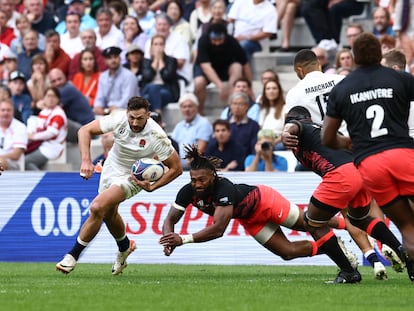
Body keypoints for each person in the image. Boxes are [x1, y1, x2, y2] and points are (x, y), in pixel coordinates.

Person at [159, 144, 359, 283]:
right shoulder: (188, 191)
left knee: (308, 224)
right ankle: (330, 247)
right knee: (287, 253)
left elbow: (218, 229)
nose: (197, 184)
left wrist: (182, 239)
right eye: (194, 180)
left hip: (265, 201)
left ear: (213, 176)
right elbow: (170, 218)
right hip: (251, 220)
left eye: (201, 180)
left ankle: (346, 224)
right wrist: (169, 238)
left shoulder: (224, 188)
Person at [321, 32, 414, 282]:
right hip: (403, 153)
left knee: (406, 225)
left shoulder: (342, 88)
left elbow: (327, 139)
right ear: (379, 53)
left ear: (354, 57)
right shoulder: (401, 78)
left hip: (369, 163)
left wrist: (349, 141)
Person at [56, 96, 183, 275]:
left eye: (140, 118)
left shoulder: (156, 135)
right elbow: (84, 131)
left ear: (148, 115)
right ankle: (124, 247)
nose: (135, 122)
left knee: (98, 207)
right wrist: (86, 161)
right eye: (132, 117)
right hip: (111, 167)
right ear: (127, 113)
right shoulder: (118, 119)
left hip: (134, 176)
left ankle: (72, 256)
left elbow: (176, 168)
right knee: (109, 213)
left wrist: (152, 187)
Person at [283, 106, 407, 280]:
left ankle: (348, 271)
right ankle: (402, 251)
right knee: (359, 219)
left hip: (341, 175)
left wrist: (286, 131)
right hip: (359, 171)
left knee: (311, 223)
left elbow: (294, 125)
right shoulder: (320, 131)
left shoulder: (300, 127)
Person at [193, 22, 251, 115]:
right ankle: (199, 111)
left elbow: (245, 64)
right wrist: (220, 86)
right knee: (199, 82)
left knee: (237, 67)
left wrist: (249, 85)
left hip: (225, 68)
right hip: (206, 68)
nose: (217, 43)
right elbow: (206, 66)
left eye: (220, 40)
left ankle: (231, 107)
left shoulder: (232, 41)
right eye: (214, 40)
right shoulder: (203, 41)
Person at [285, 49, 347, 134]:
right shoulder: (341, 79)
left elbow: (291, 124)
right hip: (348, 137)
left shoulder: (294, 93)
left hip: (320, 142)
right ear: (319, 64)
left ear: (300, 70)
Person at [25, 87, 67, 170]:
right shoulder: (44, 111)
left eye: (53, 96)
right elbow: (37, 127)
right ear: (44, 98)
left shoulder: (59, 113)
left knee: (26, 161)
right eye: (48, 96)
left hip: (52, 147)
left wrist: (33, 136)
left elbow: (51, 133)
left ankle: (38, 180)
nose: (50, 99)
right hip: (42, 145)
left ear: (58, 99)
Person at [48, 68, 95, 143]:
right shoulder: (63, 89)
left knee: (57, 118)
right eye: (54, 81)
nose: (57, 83)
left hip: (87, 130)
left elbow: (49, 107)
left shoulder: (67, 89)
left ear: (65, 77)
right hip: (81, 127)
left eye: (59, 79)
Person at [171, 93, 213, 170]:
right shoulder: (179, 126)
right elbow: (171, 146)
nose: (187, 109)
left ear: (196, 108)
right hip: (178, 167)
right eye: (184, 107)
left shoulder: (203, 123)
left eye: (190, 106)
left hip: (195, 167)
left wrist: (186, 164)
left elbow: (201, 149)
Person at [94, 46, 139, 116]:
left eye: (115, 57)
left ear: (120, 58)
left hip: (127, 112)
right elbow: (100, 97)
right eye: (109, 58)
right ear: (105, 61)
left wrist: (115, 108)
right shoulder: (103, 76)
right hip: (107, 112)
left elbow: (128, 100)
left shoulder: (129, 76)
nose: (113, 60)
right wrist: (98, 106)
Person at [141, 34, 180, 114]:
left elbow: (167, 76)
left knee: (148, 98)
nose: (158, 47)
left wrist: (161, 61)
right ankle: (158, 114)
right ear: (151, 47)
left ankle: (156, 114)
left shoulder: (171, 60)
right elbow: (147, 77)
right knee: (152, 87)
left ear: (164, 46)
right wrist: (155, 60)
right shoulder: (145, 62)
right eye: (155, 44)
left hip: (166, 89)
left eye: (161, 44)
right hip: (148, 89)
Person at [227, 92, 260, 157]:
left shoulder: (253, 125)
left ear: (247, 106)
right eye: (234, 104)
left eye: (240, 104)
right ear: (230, 106)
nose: (237, 107)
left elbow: (254, 148)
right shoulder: (225, 124)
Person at [258, 78, 287, 149]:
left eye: (274, 88)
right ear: (264, 92)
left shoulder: (285, 108)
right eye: (268, 88)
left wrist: (273, 143)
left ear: (279, 91)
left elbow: (286, 132)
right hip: (264, 141)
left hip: (279, 143)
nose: (271, 91)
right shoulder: (263, 110)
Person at [0, 99, 28, 171]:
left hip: (12, 163)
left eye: (8, 110)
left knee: (1, 162)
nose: (5, 113)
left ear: (13, 112)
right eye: (3, 110)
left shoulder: (20, 127)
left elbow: (16, 155)